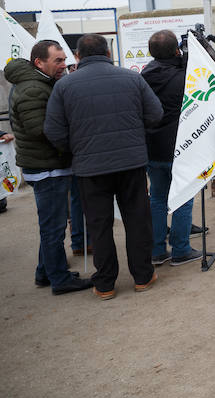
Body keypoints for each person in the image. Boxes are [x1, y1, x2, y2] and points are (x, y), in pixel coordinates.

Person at [44, 34, 163, 300]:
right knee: (137, 220)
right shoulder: (133, 78)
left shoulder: (64, 86)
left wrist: (77, 148)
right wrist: (134, 137)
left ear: (77, 57)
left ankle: (105, 284)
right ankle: (142, 276)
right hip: (131, 164)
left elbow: (53, 130)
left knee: (99, 225)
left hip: (89, 167)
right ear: (108, 54)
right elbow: (155, 114)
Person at [4, 41, 92, 295]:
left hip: (47, 165)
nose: (64, 65)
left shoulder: (39, 83)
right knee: (53, 227)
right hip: (48, 168)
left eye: (64, 59)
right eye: (58, 61)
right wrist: (75, 139)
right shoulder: (33, 88)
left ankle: (45, 272)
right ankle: (60, 280)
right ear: (39, 63)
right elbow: (41, 130)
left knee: (51, 223)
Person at [140, 30, 202, 266]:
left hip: (152, 149)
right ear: (176, 50)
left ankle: (157, 250)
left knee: (157, 198)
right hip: (180, 147)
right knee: (183, 198)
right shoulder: (184, 76)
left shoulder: (144, 76)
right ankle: (181, 249)